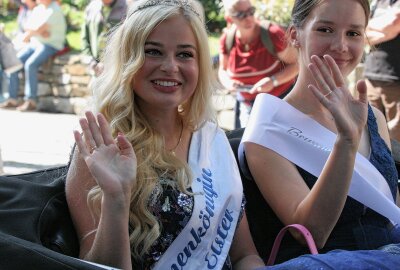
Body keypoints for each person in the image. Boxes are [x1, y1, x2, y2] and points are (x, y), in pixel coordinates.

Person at [65, 0, 265, 269]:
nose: (170, 66)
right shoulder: (100, 149)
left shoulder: (211, 140)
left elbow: (245, 255)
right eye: (153, 51)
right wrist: (117, 198)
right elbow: (96, 265)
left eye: (184, 54)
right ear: (128, 58)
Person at [240, 0, 400, 264]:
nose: (340, 46)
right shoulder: (267, 131)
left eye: (353, 33)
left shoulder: (374, 118)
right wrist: (346, 143)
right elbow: (313, 232)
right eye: (325, 29)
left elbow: (389, 209)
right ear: (295, 35)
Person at [218, 0, 298, 128]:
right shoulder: (227, 39)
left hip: (279, 101)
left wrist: (273, 81)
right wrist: (229, 83)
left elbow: (297, 65)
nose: (249, 18)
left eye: (251, 11)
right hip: (247, 105)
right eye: (241, 14)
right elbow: (222, 70)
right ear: (229, 18)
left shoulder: (272, 34)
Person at [0, 0, 66, 111]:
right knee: (14, 63)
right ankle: (12, 99)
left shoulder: (55, 9)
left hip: (51, 44)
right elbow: (27, 26)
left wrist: (36, 31)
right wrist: (38, 31)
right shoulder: (38, 8)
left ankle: (31, 100)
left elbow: (38, 28)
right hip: (37, 42)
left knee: (31, 64)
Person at [364, 0, 400, 142]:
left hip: (396, 81)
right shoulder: (379, 2)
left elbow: (394, 22)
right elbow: (362, 31)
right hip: (371, 78)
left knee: (396, 139)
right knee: (371, 134)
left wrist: (374, 29)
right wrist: (386, 33)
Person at [81, 0, 127, 76]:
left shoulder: (128, 7)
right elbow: (84, 39)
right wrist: (91, 63)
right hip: (96, 71)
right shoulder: (91, 7)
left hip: (119, 73)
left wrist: (110, 65)